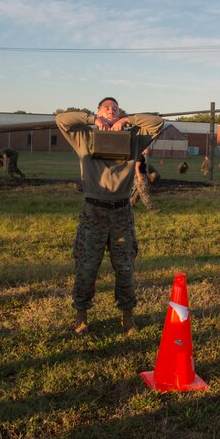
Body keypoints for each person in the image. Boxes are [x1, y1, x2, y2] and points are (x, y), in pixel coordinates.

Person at [56, 97, 163, 335]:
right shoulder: (84, 138)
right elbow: (61, 119)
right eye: (106, 108)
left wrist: (127, 120)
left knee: (125, 268)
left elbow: (157, 123)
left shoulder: (133, 140)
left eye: (115, 109)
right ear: (98, 112)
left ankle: (127, 317)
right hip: (93, 212)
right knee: (86, 267)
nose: (111, 111)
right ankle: (81, 317)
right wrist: (93, 120)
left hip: (121, 214)